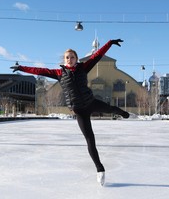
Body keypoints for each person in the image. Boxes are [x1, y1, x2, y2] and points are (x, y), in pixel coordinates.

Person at [10, 39, 130, 186]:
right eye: (67, 57)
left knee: (111, 109)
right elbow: (39, 70)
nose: (70, 59)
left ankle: (125, 114)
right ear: (64, 60)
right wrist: (21, 67)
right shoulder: (59, 73)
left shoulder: (83, 68)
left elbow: (97, 56)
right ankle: (100, 169)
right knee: (90, 140)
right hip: (80, 111)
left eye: (72, 57)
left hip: (91, 102)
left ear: (76, 59)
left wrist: (109, 43)